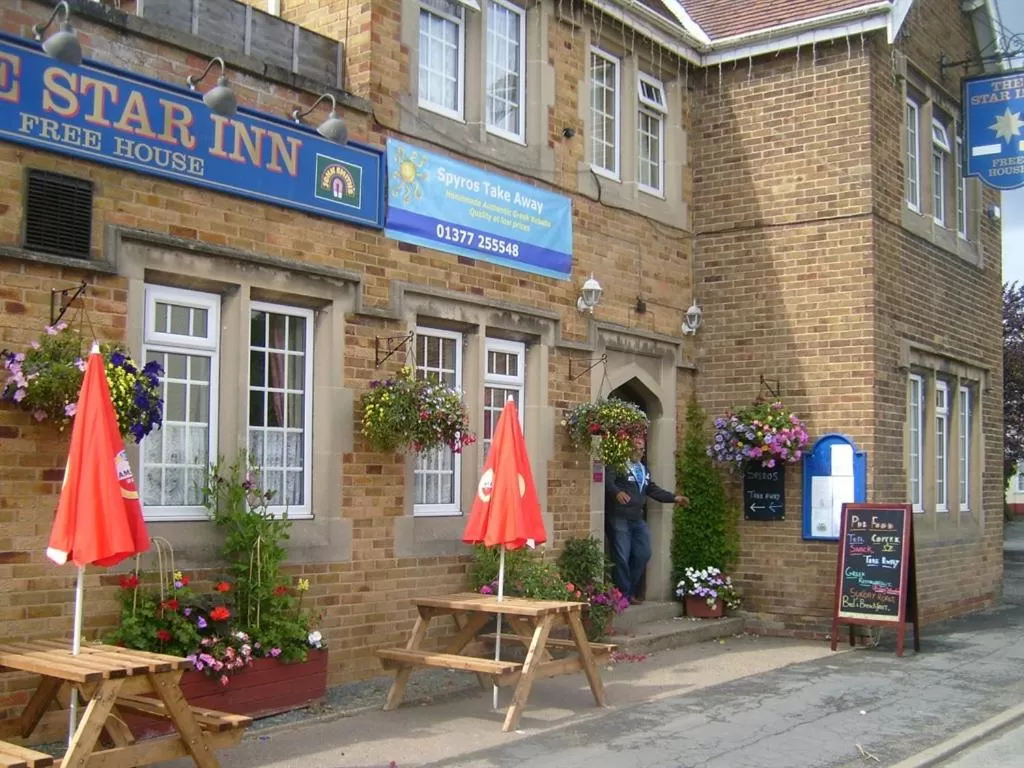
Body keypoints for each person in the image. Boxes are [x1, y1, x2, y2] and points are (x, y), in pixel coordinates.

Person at [604, 434, 688, 604]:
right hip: (620, 517)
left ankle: (628, 591)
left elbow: (653, 490)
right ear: (627, 448)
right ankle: (623, 595)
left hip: (637, 519)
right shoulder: (618, 466)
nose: (639, 451)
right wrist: (617, 492)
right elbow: (607, 481)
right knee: (621, 556)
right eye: (635, 447)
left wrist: (674, 498)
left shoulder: (643, 470)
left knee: (644, 554)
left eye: (641, 448)